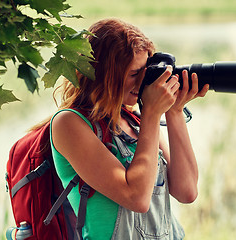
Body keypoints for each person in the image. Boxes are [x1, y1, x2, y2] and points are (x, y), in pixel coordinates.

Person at [50, 18, 209, 239]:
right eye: (134, 73)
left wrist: (175, 111)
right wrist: (152, 114)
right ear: (105, 73)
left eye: (146, 71)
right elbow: (137, 198)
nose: (143, 81)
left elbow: (187, 191)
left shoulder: (135, 121)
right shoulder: (69, 124)